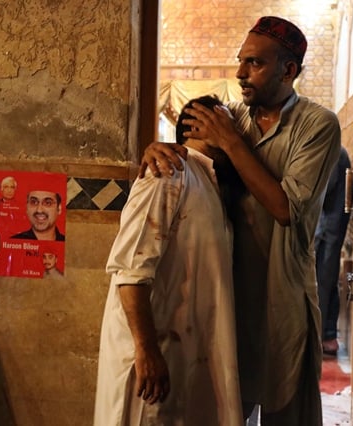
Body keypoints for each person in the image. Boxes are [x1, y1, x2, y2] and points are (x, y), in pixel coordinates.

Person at [139, 17, 341, 425]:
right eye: (240, 61)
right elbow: (192, 152)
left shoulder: (317, 125)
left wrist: (231, 140)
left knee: (288, 413)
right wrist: (157, 149)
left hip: (283, 301)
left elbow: (286, 209)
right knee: (229, 412)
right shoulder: (234, 117)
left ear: (288, 70)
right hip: (229, 299)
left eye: (255, 63)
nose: (240, 73)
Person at [94, 95, 243, 425]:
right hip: (152, 354)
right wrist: (146, 351)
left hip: (181, 353)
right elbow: (130, 271)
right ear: (199, 125)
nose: (236, 131)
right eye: (225, 120)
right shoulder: (169, 172)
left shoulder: (210, 182)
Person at [315, 146, 351, 357]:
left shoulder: (331, 149)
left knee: (322, 279)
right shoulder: (334, 149)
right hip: (329, 226)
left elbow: (320, 190)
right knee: (325, 279)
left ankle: (320, 336)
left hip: (328, 228)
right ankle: (326, 334)